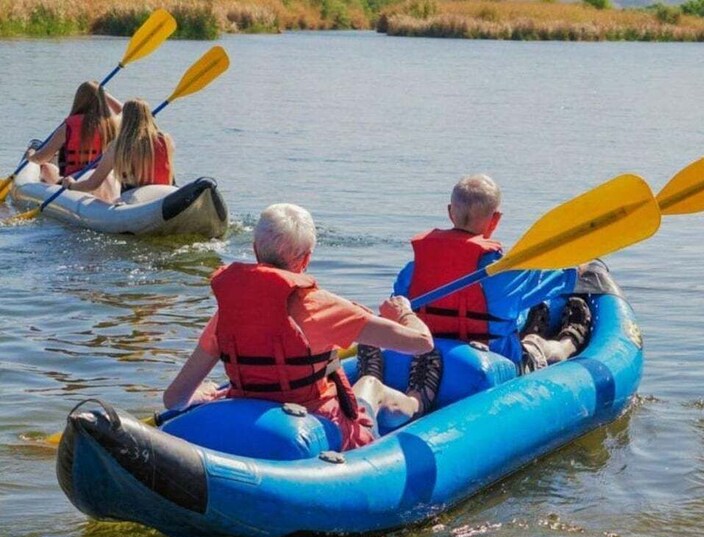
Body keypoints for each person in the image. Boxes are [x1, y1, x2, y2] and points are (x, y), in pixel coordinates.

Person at [163, 203, 441, 451]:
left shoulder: (228, 311)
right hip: (315, 417)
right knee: (371, 385)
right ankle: (417, 403)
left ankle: (379, 370)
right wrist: (403, 311)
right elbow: (422, 343)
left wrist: (205, 393)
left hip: (246, 405)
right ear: (306, 259)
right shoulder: (321, 306)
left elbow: (174, 398)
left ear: (256, 250)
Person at [358, 173, 592, 414]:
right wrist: (585, 261)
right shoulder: (508, 274)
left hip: (425, 356)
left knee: (513, 313)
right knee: (534, 346)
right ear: (496, 220)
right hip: (494, 359)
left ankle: (533, 323)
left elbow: (399, 314)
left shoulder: (412, 270)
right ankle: (566, 344)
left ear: (450, 212)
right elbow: (570, 276)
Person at [25, 80, 122, 201]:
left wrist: (31, 155)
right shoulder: (112, 123)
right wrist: (104, 94)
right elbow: (122, 110)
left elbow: (41, 158)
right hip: (102, 177)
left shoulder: (68, 126)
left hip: (75, 180)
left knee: (45, 167)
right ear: (102, 100)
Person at [62, 98, 175, 199]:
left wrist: (71, 185)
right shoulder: (166, 140)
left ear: (124, 119)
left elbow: (93, 183)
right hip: (167, 194)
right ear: (149, 117)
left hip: (135, 201)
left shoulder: (117, 146)